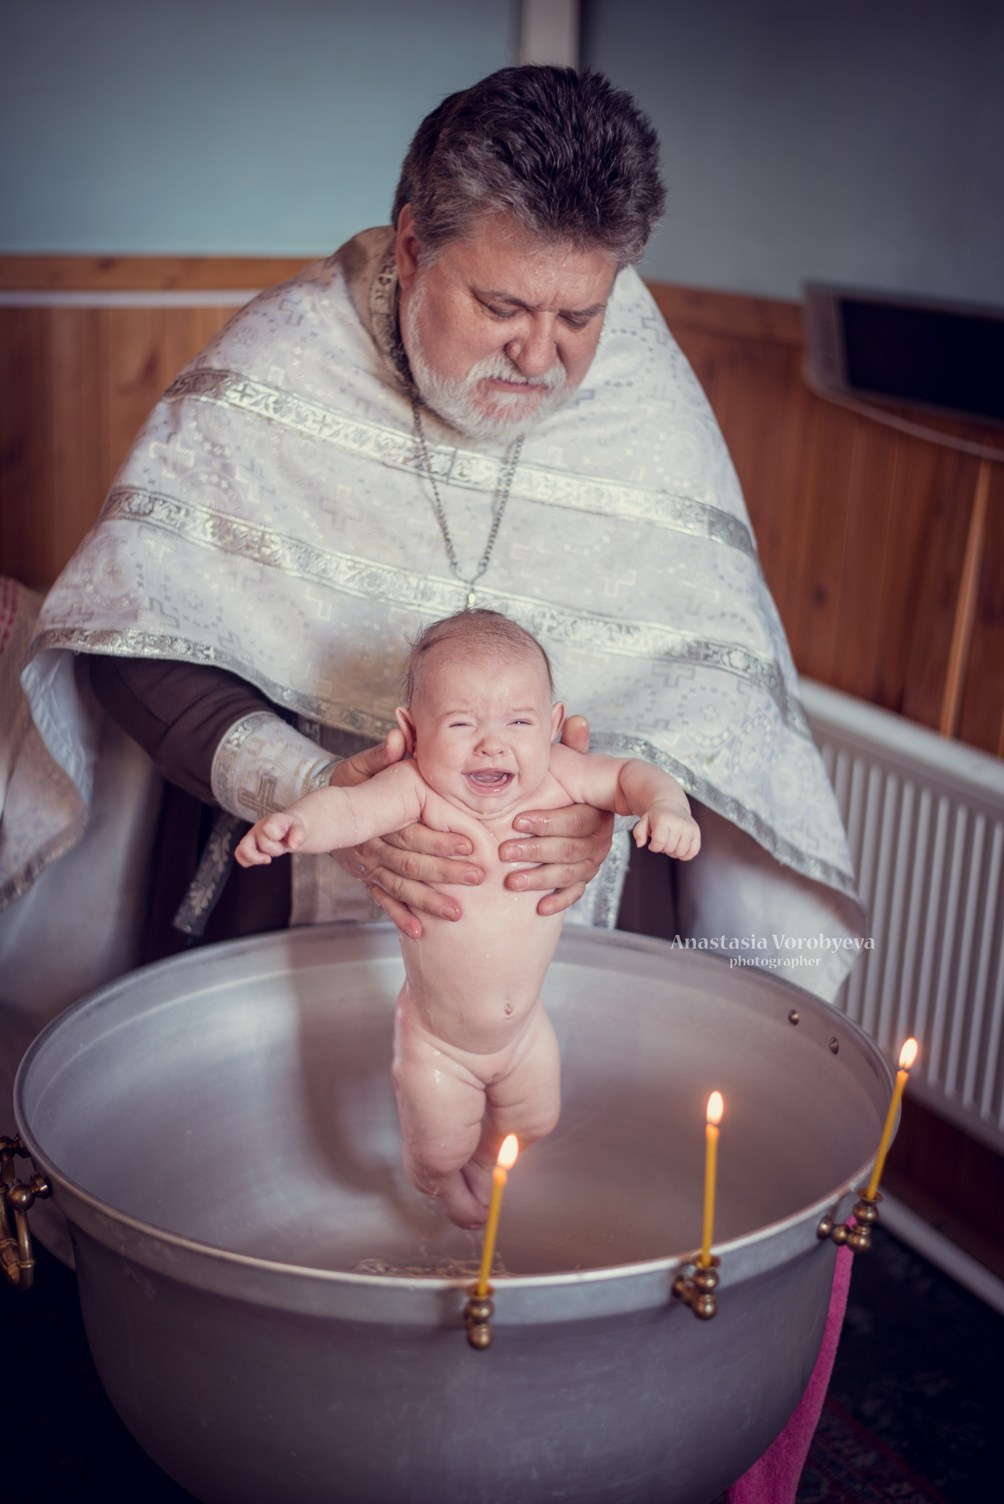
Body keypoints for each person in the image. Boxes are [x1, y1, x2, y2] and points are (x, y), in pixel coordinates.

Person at [236, 609, 699, 1225]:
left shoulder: (562, 774)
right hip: (438, 1042)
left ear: (554, 725)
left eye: (518, 721)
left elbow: (634, 776)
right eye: (461, 723)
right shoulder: (415, 789)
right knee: (439, 1146)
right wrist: (296, 825)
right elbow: (348, 811)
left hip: (524, 1031)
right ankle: (437, 1179)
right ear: (414, 730)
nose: (492, 742)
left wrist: (668, 808)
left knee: (537, 1121)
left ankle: (484, 1166)